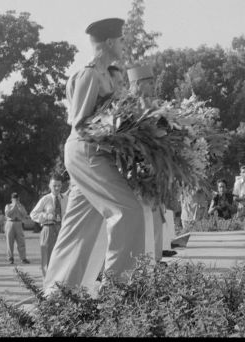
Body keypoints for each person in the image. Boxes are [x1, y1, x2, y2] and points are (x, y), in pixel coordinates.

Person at [44, 18, 145, 295]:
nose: (124, 45)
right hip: (86, 150)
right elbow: (79, 122)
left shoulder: (111, 74)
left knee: (79, 226)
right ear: (110, 42)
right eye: (122, 40)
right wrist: (121, 126)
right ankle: (118, 289)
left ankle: (57, 294)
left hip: (97, 152)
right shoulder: (89, 75)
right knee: (127, 211)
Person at [127, 64, 165, 264]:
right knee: (139, 222)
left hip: (155, 175)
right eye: (149, 82)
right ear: (137, 84)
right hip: (135, 177)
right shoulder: (127, 110)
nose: (153, 86)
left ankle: (154, 264)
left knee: (156, 221)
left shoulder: (157, 107)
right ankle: (139, 265)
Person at [30, 174, 68, 277]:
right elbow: (33, 214)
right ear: (49, 186)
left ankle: (60, 283)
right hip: (48, 228)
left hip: (62, 230)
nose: (57, 188)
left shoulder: (66, 199)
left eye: (59, 185)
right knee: (47, 257)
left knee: (62, 256)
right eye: (54, 185)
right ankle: (47, 282)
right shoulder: (45, 199)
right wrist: (46, 216)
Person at [4, 192, 30, 265]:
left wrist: (19, 207)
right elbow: (8, 214)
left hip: (18, 223)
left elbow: (24, 214)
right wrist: (14, 206)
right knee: (9, 241)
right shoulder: (8, 206)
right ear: (11, 199)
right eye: (14, 198)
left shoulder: (21, 206)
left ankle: (23, 258)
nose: (16, 199)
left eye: (17, 198)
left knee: (21, 241)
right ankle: (10, 258)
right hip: (10, 223)